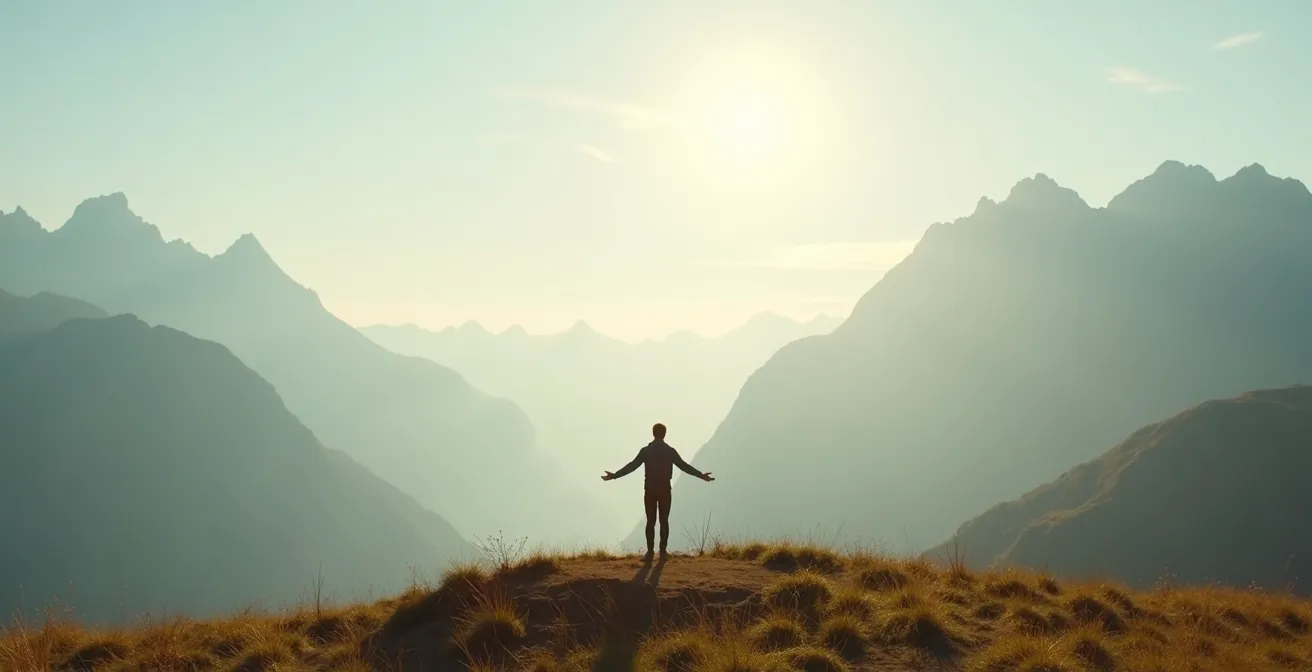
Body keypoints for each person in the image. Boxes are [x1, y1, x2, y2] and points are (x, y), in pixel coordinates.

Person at [602, 422, 714, 561]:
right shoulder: (670, 451)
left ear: (653, 433)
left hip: (650, 490)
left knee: (650, 521)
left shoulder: (646, 451)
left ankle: (649, 552)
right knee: (664, 521)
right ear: (665, 434)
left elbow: (632, 466)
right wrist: (701, 475)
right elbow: (684, 466)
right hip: (665, 490)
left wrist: (614, 475)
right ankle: (662, 551)